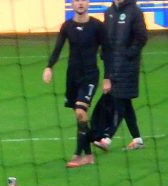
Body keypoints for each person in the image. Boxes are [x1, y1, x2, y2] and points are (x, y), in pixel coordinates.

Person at [42, 0, 106, 168]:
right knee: (79, 117)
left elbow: (107, 52)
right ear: (72, 5)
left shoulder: (97, 26)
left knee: (80, 111)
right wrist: (49, 67)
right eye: (77, 0)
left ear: (88, 4)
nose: (80, 3)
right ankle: (89, 153)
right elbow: (57, 48)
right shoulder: (67, 26)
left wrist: (108, 77)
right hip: (72, 77)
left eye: (83, 0)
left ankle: (78, 154)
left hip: (90, 75)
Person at [95, 0, 147, 152]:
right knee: (124, 102)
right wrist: (104, 57)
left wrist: (128, 54)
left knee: (119, 100)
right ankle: (137, 139)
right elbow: (106, 40)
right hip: (112, 66)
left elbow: (142, 37)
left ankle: (107, 139)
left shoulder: (135, 12)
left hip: (128, 67)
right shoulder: (109, 12)